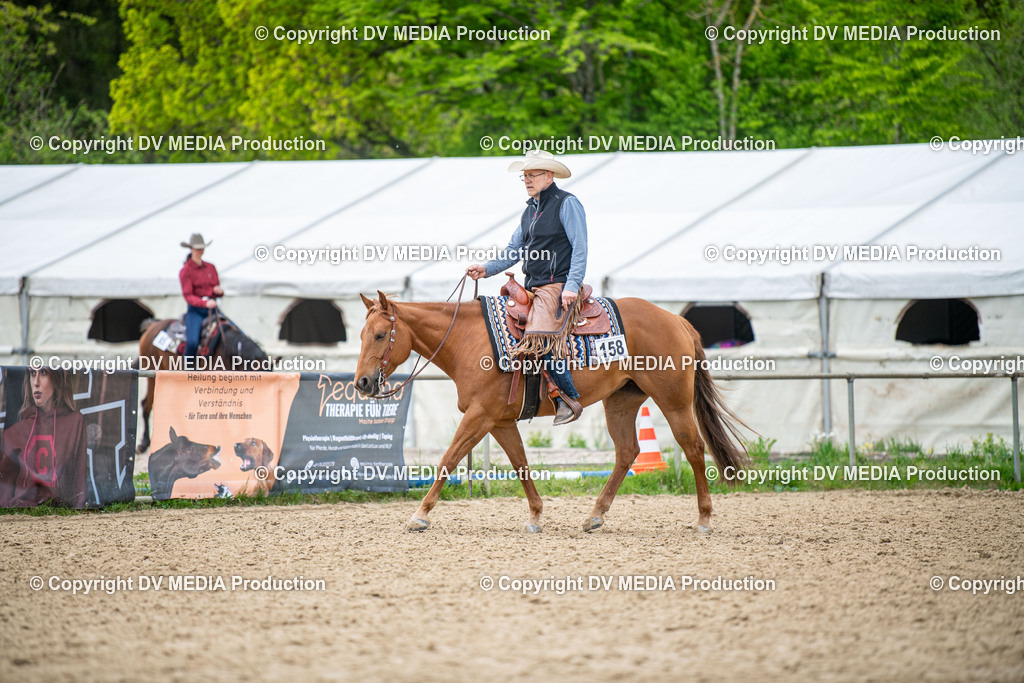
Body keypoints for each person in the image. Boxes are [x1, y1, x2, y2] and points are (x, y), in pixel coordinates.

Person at [467, 150, 588, 425]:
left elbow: (580, 248)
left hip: (556, 286)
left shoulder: (567, 204)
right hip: (532, 286)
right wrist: (486, 269)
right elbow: (513, 251)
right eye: (525, 176)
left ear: (549, 175)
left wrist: (571, 286)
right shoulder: (529, 211)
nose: (527, 180)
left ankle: (568, 398)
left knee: (539, 337)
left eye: (533, 175)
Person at [0, 367, 88, 508]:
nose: (36, 382)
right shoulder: (16, 430)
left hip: (63, 509)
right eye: (32, 373)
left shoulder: (74, 422)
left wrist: (80, 506)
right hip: (21, 511)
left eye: (44, 373)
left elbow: (79, 472)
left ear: (57, 378)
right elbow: (5, 480)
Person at [179, 233, 223, 358]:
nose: (200, 251)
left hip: (213, 309)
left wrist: (218, 291)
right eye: (197, 248)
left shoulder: (211, 267)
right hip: (195, 311)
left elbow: (215, 287)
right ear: (191, 249)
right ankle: (187, 371)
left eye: (201, 248)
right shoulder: (186, 271)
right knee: (192, 342)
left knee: (233, 331)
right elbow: (188, 296)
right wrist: (205, 303)